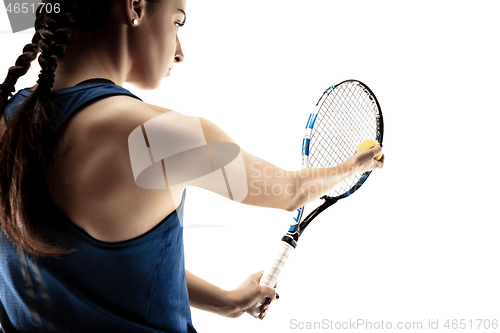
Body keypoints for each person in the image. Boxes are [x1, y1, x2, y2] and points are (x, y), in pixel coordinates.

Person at [0, 0, 384, 331]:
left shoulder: (5, 122)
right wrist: (356, 163)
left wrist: (226, 301)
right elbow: (290, 191)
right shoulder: (157, 136)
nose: (180, 50)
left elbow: (99, 272)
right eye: (177, 20)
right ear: (135, 6)